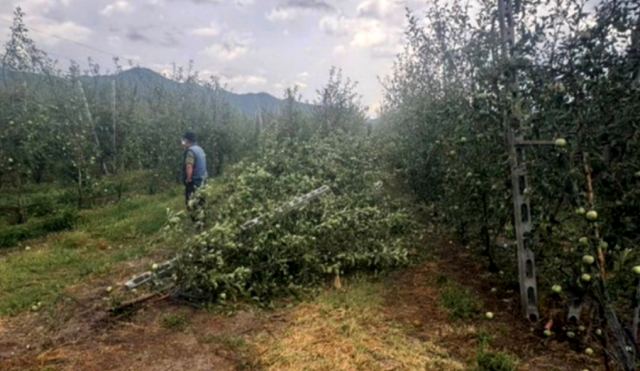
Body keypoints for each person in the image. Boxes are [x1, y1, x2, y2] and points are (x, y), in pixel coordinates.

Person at [181, 131, 208, 208]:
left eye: (184, 140)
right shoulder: (200, 149)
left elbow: (189, 165)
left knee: (191, 204)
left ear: (187, 140)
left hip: (194, 182)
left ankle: (195, 219)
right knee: (202, 203)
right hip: (203, 180)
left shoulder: (190, 151)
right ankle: (202, 218)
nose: (183, 142)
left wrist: (188, 179)